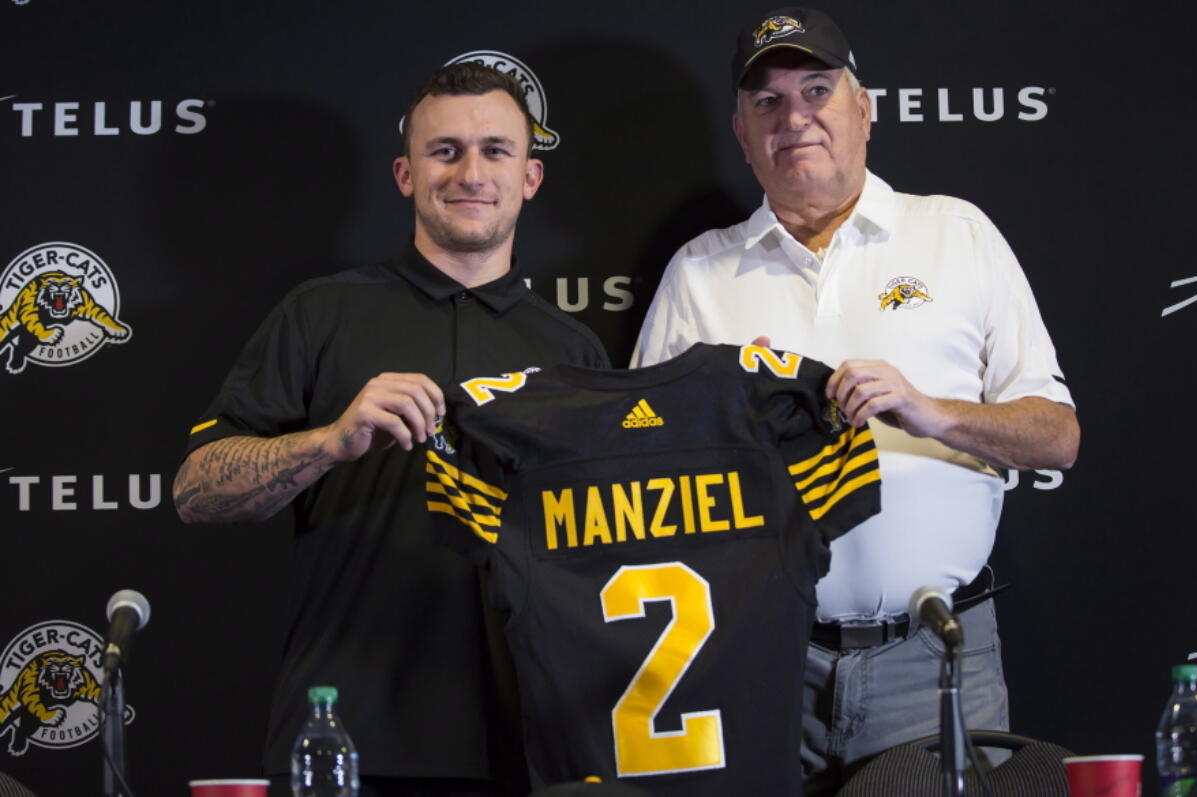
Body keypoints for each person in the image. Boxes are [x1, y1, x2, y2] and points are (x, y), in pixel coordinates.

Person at [631, 7, 1079, 795]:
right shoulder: (698, 275)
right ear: (741, 131)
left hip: (936, 656)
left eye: (816, 90)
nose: (794, 118)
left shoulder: (954, 234)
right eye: (767, 103)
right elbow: (639, 471)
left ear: (863, 109)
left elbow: (1058, 435)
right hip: (759, 658)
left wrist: (930, 410)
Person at [173, 62, 609, 797]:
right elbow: (196, 489)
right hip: (347, 737)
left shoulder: (574, 351)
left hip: (531, 742)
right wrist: (328, 441)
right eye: (446, 151)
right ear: (406, 174)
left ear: (530, 177)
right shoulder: (321, 313)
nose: (471, 172)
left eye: (496, 151)